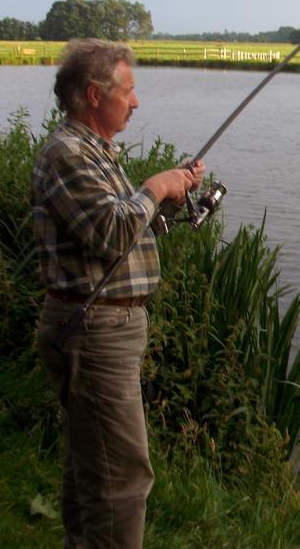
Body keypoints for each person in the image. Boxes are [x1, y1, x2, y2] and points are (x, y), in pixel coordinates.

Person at [33, 39, 204, 548]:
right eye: (128, 92)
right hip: (94, 334)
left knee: (91, 463)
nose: (136, 102)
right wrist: (155, 186)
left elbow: (118, 235)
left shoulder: (96, 152)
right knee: (122, 480)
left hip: (108, 330)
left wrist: (171, 194)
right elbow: (111, 230)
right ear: (93, 94)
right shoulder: (66, 154)